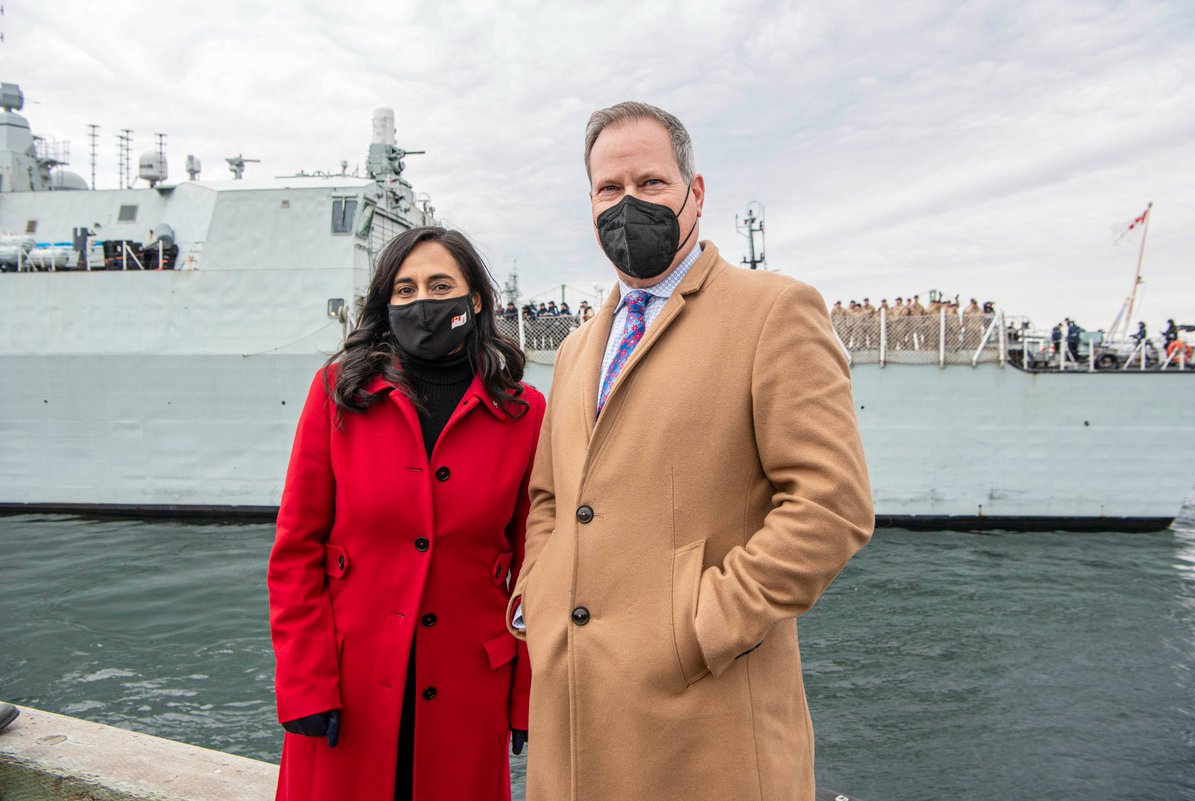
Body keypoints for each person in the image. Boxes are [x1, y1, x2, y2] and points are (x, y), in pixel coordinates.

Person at [505, 101, 873, 801]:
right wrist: (540, 598)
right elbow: (551, 497)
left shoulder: (774, 311)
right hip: (577, 721)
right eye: (609, 190)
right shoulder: (581, 344)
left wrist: (701, 624)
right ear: (589, 204)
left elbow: (832, 505)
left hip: (705, 728)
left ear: (695, 193)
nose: (628, 204)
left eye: (651, 183)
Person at [269, 226, 546, 801]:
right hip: (348, 690)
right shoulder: (337, 393)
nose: (422, 302)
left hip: (470, 692)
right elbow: (296, 552)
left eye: (440, 284)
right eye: (405, 289)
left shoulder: (525, 414)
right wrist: (305, 684)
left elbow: (533, 568)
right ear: (385, 302)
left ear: (475, 300)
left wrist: (526, 697)